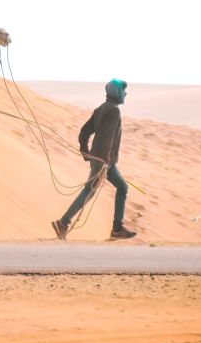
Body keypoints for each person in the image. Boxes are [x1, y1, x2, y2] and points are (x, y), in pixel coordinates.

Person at [52, 78, 137, 240]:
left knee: (122, 187)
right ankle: (63, 223)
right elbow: (107, 139)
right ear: (116, 92)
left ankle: (117, 228)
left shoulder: (101, 109)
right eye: (123, 91)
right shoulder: (114, 111)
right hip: (104, 160)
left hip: (104, 160)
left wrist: (85, 151)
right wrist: (102, 160)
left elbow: (84, 132)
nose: (125, 94)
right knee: (89, 190)